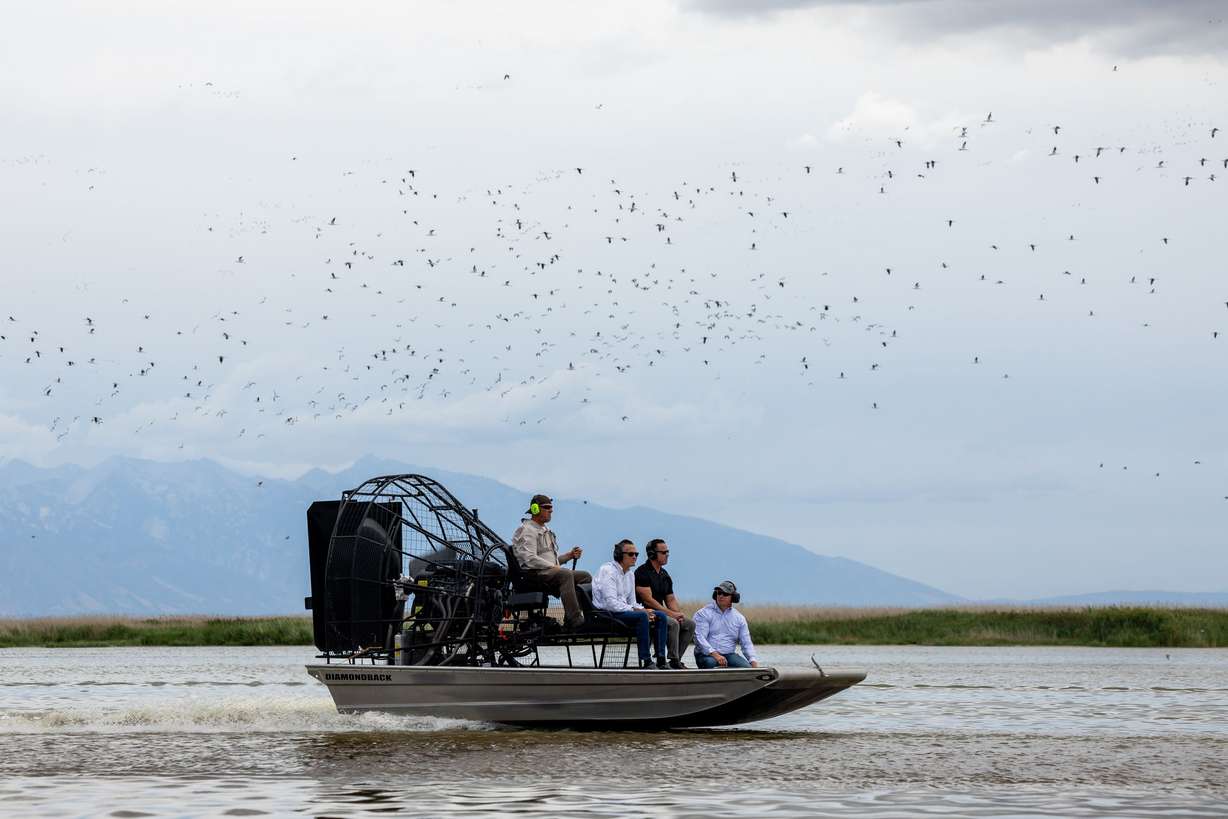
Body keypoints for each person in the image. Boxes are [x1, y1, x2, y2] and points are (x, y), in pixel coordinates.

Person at [510, 494, 589, 630]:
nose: (551, 510)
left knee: (585, 576)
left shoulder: (545, 530)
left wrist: (569, 555)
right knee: (565, 574)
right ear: (535, 509)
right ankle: (576, 621)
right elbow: (530, 559)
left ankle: (579, 617)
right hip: (532, 576)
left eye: (551, 507)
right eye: (547, 507)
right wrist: (555, 567)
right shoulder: (527, 530)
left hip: (546, 572)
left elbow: (551, 562)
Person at [592, 539, 669, 669]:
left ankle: (661, 659)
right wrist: (639, 611)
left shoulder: (630, 575)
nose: (634, 557)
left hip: (622, 611)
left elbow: (632, 602)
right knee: (642, 616)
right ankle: (646, 660)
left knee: (660, 616)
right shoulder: (608, 571)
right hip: (607, 614)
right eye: (630, 554)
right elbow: (610, 604)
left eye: (636, 554)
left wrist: (645, 610)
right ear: (619, 555)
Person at [634, 538, 695, 669]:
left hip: (664, 613)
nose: (667, 555)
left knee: (689, 624)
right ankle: (671, 658)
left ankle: (675, 660)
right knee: (672, 623)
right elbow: (648, 600)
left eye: (668, 552)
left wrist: (678, 614)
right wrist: (671, 614)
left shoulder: (664, 574)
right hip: (648, 614)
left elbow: (670, 599)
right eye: (663, 552)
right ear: (652, 554)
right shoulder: (642, 573)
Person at [693, 580, 759, 669]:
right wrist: (715, 655)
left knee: (747, 668)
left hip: (729, 655)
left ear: (733, 597)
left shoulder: (739, 618)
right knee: (710, 663)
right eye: (719, 593)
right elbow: (699, 638)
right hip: (706, 656)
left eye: (725, 594)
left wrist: (754, 664)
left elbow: (746, 644)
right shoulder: (703, 613)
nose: (721, 596)